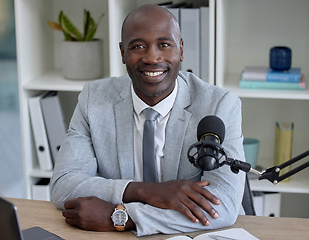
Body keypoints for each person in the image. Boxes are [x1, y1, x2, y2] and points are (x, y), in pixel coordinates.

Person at [50, 4, 245, 237]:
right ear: (122, 52)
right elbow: (64, 185)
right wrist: (144, 192)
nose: (152, 57)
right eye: (138, 46)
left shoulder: (219, 105)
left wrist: (121, 216)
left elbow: (221, 206)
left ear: (181, 49)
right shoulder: (94, 99)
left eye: (164, 44)